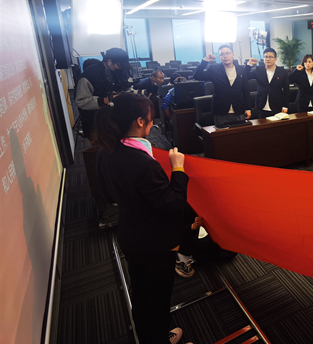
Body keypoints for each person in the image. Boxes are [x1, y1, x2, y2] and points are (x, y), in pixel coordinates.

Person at [93, 93, 197, 344]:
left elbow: (107, 195)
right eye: (151, 118)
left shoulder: (105, 150)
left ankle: (147, 336)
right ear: (140, 121)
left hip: (131, 233)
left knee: (141, 292)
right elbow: (174, 207)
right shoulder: (142, 163)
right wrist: (178, 169)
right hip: (155, 243)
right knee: (158, 298)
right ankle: (158, 338)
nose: (153, 122)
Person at [75, 47, 132, 139]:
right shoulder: (90, 74)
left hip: (117, 118)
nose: (122, 68)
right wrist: (105, 100)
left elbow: (128, 86)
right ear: (109, 62)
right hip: (96, 121)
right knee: (102, 145)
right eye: (119, 65)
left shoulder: (122, 71)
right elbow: (81, 101)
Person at [193, 44, 251, 126]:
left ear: (233, 55)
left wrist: (248, 108)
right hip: (221, 110)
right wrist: (205, 61)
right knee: (222, 133)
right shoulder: (214, 69)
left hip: (239, 108)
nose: (225, 56)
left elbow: (246, 90)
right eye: (222, 54)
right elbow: (197, 76)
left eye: (227, 53)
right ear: (219, 57)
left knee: (240, 133)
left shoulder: (241, 69)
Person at [245, 47, 290, 118]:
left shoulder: (282, 72)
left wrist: (285, 106)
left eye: (270, 57)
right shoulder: (258, 69)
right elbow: (245, 76)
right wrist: (249, 64)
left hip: (277, 105)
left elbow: (286, 90)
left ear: (275, 59)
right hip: (261, 105)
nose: (267, 59)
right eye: (266, 57)